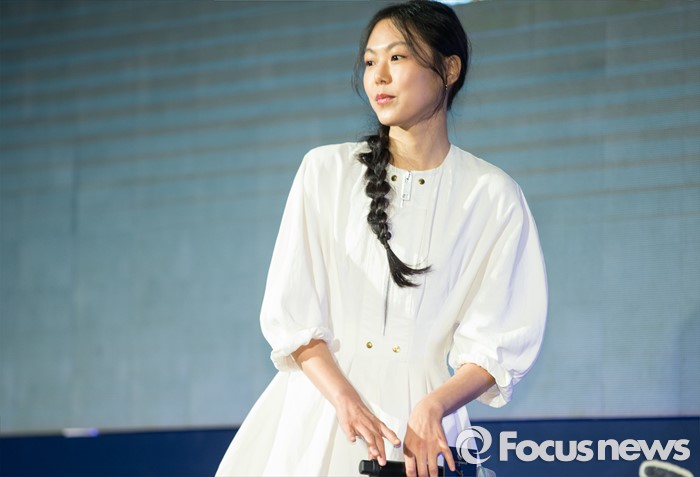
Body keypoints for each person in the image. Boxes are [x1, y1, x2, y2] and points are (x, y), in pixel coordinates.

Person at [215, 1, 547, 476]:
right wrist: (344, 399)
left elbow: (500, 338)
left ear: (449, 69)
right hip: (317, 419)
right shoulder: (324, 171)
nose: (379, 76)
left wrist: (434, 405)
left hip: (421, 432)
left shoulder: (493, 195)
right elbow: (293, 315)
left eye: (397, 57)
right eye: (370, 62)